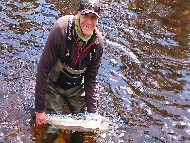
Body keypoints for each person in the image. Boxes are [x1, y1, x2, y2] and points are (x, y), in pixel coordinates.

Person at [34, 0, 103, 125]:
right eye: (85, 15)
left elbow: (91, 79)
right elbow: (43, 70)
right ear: (78, 14)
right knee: (53, 129)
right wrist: (39, 110)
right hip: (54, 85)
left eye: (93, 17)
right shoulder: (61, 29)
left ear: (97, 20)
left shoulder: (98, 44)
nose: (89, 21)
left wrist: (94, 115)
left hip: (76, 88)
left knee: (84, 128)